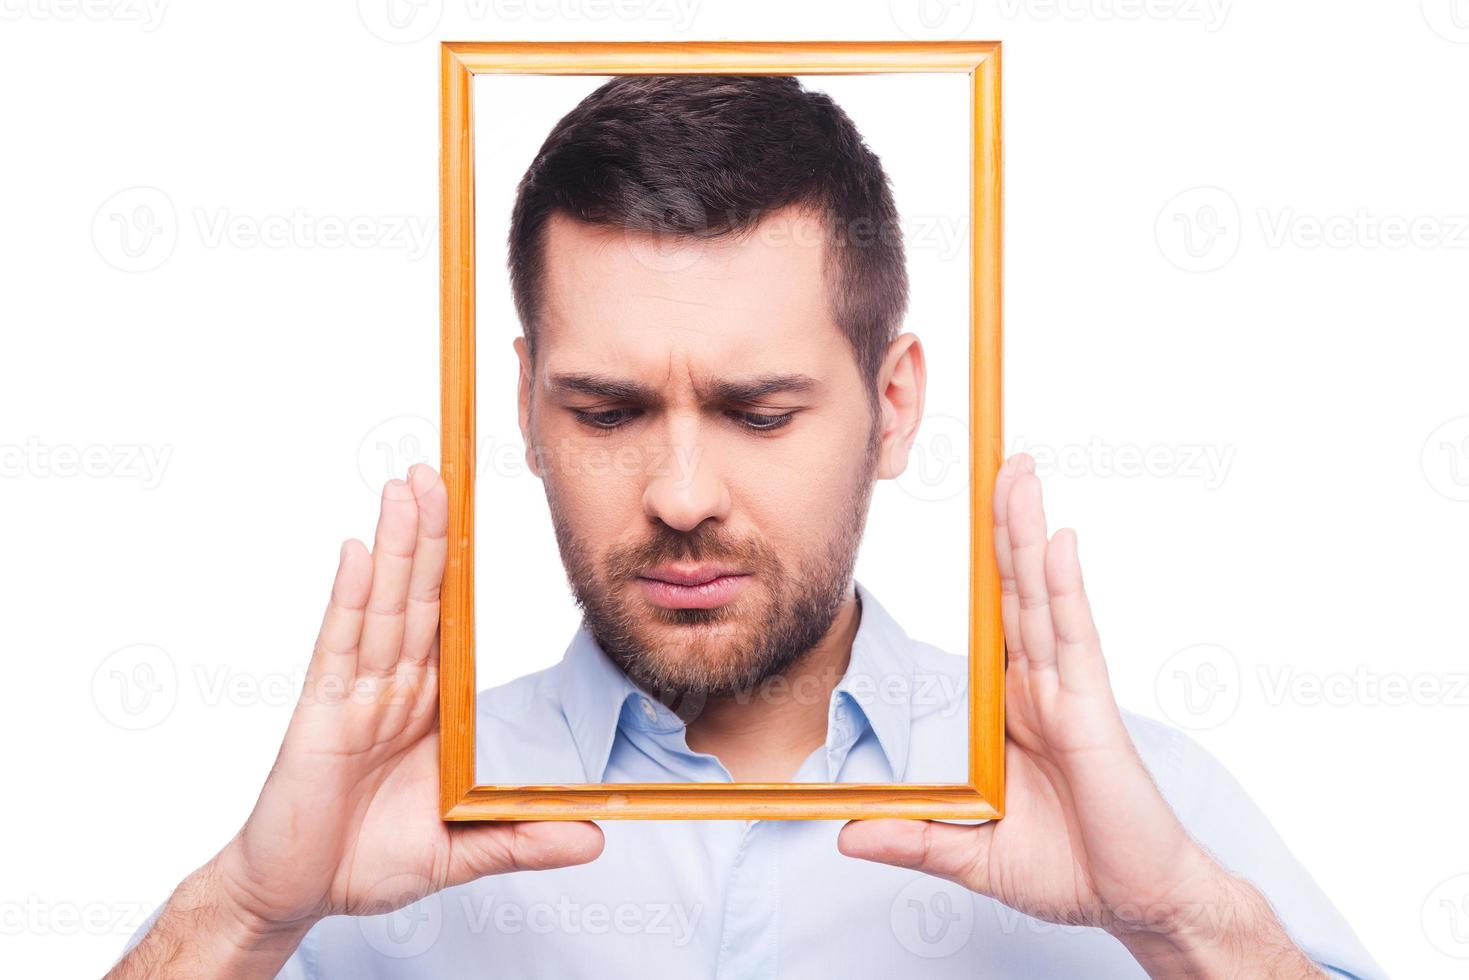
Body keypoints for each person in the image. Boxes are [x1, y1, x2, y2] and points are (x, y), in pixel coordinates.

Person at [111, 75, 1382, 978]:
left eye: (758, 411)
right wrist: (242, 911)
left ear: (892, 407)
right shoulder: (370, 827)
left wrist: (1176, 921)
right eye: (605, 410)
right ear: (523, 404)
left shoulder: (1124, 802)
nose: (677, 493)